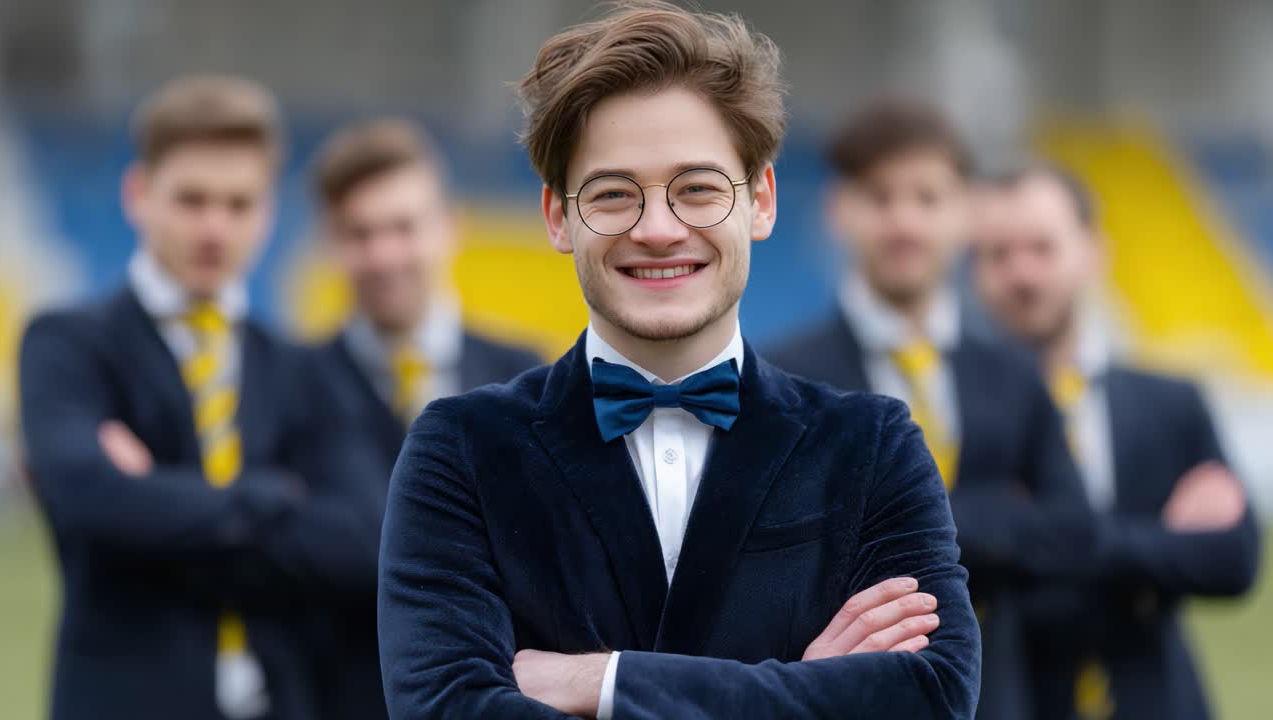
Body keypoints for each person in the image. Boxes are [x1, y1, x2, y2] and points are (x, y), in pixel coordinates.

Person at [376, 4, 981, 718]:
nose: (658, 230)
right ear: (558, 217)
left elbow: (933, 698)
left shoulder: (873, 446)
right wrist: (803, 688)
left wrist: (602, 683)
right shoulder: (461, 450)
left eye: (696, 188)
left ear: (760, 201)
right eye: (613, 195)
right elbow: (446, 709)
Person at [18, 75, 378, 720]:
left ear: (268, 213)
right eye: (191, 200)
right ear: (138, 195)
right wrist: (273, 495)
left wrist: (154, 491)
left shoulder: (303, 370)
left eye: (238, 204)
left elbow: (360, 542)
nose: (214, 227)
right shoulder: (67, 343)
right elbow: (87, 497)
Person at [766, 99, 1095, 719]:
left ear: (966, 214)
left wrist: (879, 523)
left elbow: (1074, 537)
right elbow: (788, 554)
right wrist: (995, 516)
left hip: (1001, 695)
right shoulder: (784, 377)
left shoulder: (1015, 375)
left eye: (927, 197)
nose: (904, 221)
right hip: (846, 698)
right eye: (881, 197)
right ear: (840, 211)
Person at [973, 165, 1261, 720]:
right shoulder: (947, 410)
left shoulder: (1172, 404)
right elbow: (956, 546)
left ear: (1094, 252)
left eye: (1042, 247)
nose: (1022, 273)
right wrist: (1154, 548)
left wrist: (1032, 539)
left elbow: (1234, 559)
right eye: (998, 254)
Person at [304, 119, 540, 718]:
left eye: (402, 228)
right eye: (359, 233)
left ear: (449, 229)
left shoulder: (527, 379)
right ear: (329, 241)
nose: (383, 255)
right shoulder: (287, 385)